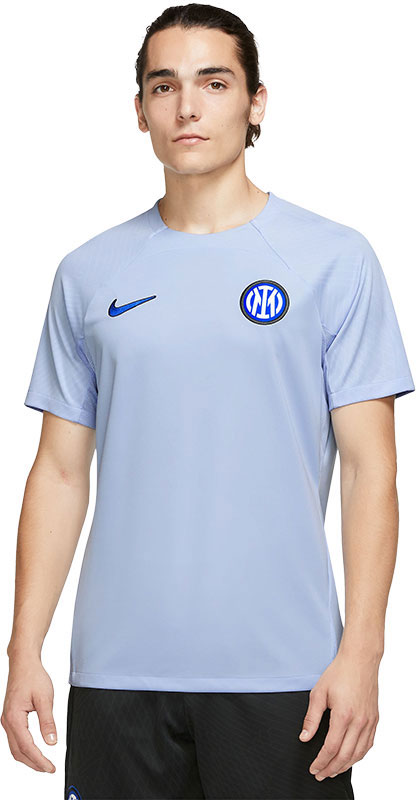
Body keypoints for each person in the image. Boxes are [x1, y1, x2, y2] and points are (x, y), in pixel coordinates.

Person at [2, 4, 414, 799]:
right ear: (141, 111)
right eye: (165, 86)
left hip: (287, 675)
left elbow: (372, 471)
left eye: (214, 83)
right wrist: (25, 650)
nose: (188, 106)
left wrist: (363, 651)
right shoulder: (88, 274)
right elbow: (57, 472)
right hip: (117, 675)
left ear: (256, 102)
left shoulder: (335, 261)